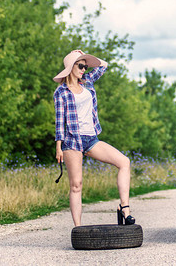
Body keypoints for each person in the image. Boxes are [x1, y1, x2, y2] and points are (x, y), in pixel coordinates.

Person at [53, 49, 135, 227]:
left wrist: (85, 56)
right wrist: (58, 147)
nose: (84, 69)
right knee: (76, 184)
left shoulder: (88, 82)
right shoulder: (61, 92)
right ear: (70, 68)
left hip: (91, 138)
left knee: (124, 162)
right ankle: (78, 228)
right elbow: (60, 122)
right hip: (72, 140)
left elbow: (103, 65)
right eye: (80, 65)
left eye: (85, 66)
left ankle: (125, 209)